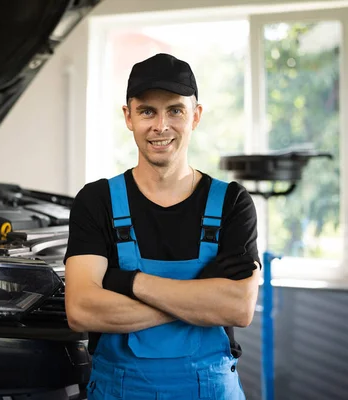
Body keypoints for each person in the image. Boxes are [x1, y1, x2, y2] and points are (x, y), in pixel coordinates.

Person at [64, 53, 261, 399]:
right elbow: (81, 310)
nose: (161, 126)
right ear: (128, 116)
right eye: (147, 111)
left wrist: (126, 281)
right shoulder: (97, 201)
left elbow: (238, 309)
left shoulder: (232, 202)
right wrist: (199, 299)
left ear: (195, 115)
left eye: (175, 110)